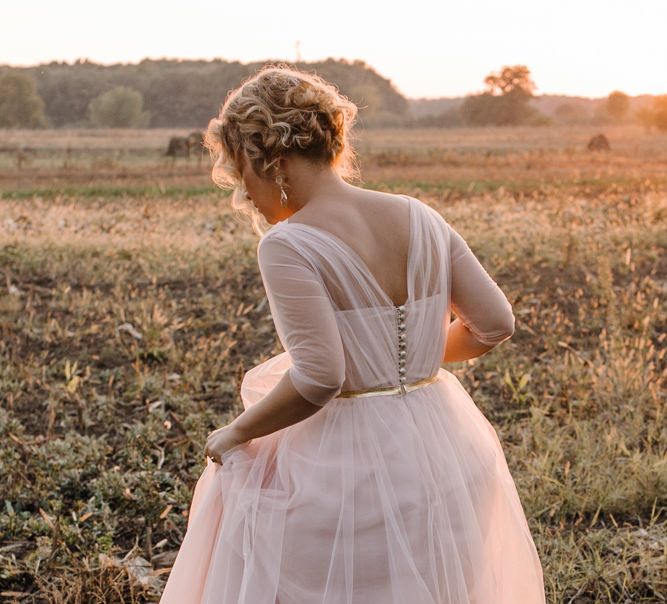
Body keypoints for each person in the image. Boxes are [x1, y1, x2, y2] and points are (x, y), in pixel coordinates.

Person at [159, 63, 546, 604]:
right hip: (448, 450)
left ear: (267, 158)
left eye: (239, 170)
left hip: (349, 469)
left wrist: (235, 433)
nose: (243, 193)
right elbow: (495, 324)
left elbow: (320, 377)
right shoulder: (421, 217)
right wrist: (406, 362)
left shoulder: (288, 244)